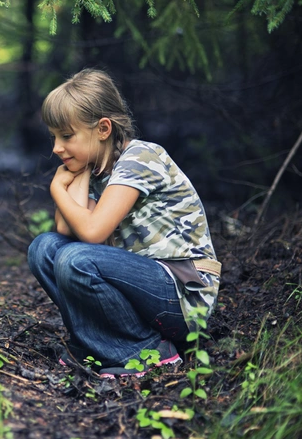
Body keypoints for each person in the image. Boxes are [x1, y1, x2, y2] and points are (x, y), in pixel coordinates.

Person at [27, 68, 222, 379]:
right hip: (145, 289)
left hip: (185, 296)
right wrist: (80, 174)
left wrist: (56, 188)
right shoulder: (98, 169)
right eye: (54, 137)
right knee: (44, 248)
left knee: (75, 259)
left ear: (103, 128)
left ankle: (144, 350)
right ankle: (99, 343)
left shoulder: (140, 158)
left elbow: (91, 232)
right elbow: (65, 229)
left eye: (66, 136)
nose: (56, 148)